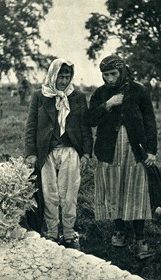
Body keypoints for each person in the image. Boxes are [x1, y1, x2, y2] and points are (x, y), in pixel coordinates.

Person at [85, 54, 157, 259]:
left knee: (136, 190)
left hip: (135, 148)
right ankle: (119, 230)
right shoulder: (100, 93)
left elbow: (150, 121)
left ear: (122, 71)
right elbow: (89, 120)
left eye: (113, 74)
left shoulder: (139, 90)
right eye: (105, 75)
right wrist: (108, 105)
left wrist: (151, 150)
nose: (109, 79)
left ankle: (140, 237)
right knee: (114, 188)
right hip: (109, 149)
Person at [25, 58, 93, 249]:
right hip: (46, 152)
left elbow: (85, 127)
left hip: (70, 150)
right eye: (60, 76)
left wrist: (87, 153)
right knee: (49, 193)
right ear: (53, 75)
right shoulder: (40, 96)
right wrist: (31, 153)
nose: (63, 81)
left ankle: (70, 233)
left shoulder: (77, 97)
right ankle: (53, 233)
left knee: (69, 193)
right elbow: (31, 126)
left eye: (67, 76)